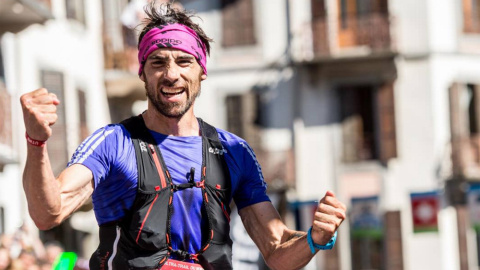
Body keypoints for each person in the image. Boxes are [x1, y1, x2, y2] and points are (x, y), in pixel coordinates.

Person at [20, 2, 346, 269]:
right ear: (143, 72)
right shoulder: (113, 143)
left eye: (184, 61)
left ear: (201, 70)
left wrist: (314, 239)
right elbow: (47, 213)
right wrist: (37, 143)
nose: (171, 74)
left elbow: (276, 252)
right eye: (158, 62)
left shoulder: (234, 150)